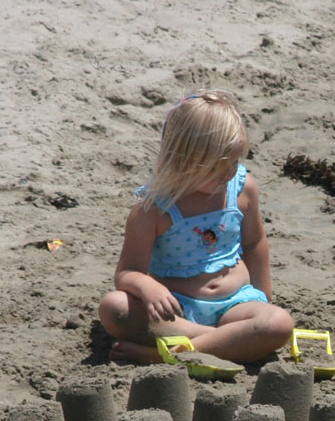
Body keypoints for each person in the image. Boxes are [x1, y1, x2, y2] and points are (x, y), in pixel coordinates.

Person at [98, 90, 294, 365]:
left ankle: (164, 356)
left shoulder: (242, 189)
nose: (228, 174)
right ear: (184, 160)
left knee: (278, 322)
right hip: (178, 312)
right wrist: (148, 289)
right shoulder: (154, 210)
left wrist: (264, 299)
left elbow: (254, 242)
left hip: (235, 303)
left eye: (234, 163)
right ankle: (226, 341)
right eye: (217, 167)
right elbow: (127, 272)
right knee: (114, 307)